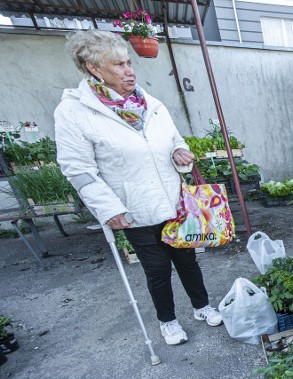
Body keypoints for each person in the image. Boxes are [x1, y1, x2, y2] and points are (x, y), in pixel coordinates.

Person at [55, 30, 222, 346]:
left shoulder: (150, 103)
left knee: (187, 261)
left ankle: (202, 307)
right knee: (157, 269)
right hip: (134, 207)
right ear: (94, 68)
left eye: (129, 62)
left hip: (174, 202)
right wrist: (109, 209)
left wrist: (179, 154)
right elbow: (77, 169)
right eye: (118, 65)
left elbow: (175, 140)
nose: (129, 70)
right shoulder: (75, 111)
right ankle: (168, 321)